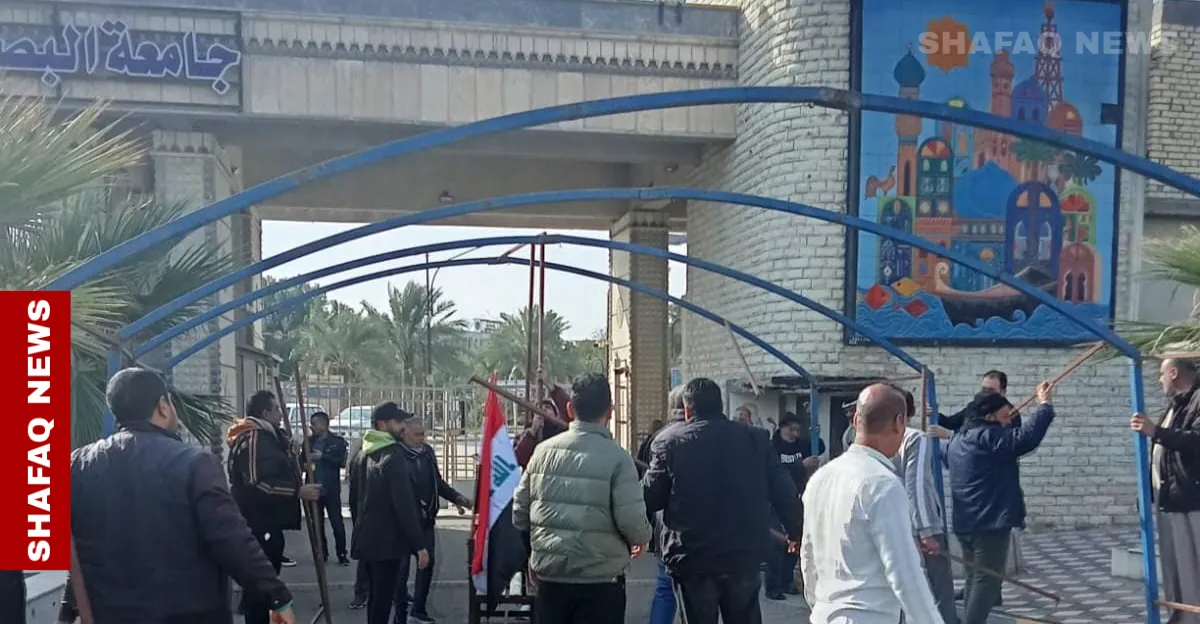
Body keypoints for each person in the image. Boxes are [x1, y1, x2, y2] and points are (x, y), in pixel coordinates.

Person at [69, 368, 295, 624]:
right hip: (190, 613)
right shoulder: (195, 464)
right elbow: (232, 539)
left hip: (111, 614)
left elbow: (73, 549)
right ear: (164, 406)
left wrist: (68, 611)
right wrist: (277, 595)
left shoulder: (78, 465)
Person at [643, 377, 802, 624]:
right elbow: (784, 492)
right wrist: (795, 531)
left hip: (692, 556)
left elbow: (651, 498)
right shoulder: (755, 438)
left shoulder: (669, 442)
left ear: (688, 410)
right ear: (721, 407)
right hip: (742, 555)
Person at [512, 373, 652, 624]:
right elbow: (631, 519)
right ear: (610, 412)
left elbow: (519, 513)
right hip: (601, 581)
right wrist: (641, 538)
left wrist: (534, 556)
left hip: (552, 580)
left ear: (570, 409)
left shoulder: (542, 453)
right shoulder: (619, 459)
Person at [801, 384, 944, 624]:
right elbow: (905, 574)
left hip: (824, 615)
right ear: (899, 422)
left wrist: (819, 607)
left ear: (856, 420)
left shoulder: (820, 478)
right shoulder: (883, 485)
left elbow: (809, 557)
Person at [947, 383, 1055, 624]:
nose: (1008, 422)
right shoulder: (989, 437)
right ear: (990, 416)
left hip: (965, 522)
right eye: (1005, 417)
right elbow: (1025, 439)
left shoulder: (959, 439)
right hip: (988, 522)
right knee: (987, 581)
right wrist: (1044, 405)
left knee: (974, 578)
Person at [227, 390, 321, 624]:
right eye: (277, 409)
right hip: (257, 522)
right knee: (261, 586)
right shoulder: (254, 438)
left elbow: (278, 466)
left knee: (265, 583)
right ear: (265, 412)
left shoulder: (269, 436)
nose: (281, 413)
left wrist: (296, 455)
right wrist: (297, 492)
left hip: (268, 521)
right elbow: (257, 483)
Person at [1131, 357, 1200, 623]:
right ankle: (1181, 618)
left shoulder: (1196, 401)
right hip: (1171, 499)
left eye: (1161, 374)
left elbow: (1195, 440)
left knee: (1192, 566)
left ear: (1173, 373)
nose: (1159, 380)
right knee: (1175, 568)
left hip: (1191, 499)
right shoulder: (1176, 406)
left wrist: (1156, 431)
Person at [349, 402, 430, 624]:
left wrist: (361, 529)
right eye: (398, 421)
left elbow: (354, 501)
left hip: (367, 540)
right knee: (383, 599)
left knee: (376, 598)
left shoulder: (362, 453)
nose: (403, 426)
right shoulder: (393, 457)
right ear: (382, 424)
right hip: (388, 543)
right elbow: (404, 505)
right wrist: (419, 545)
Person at [891, 387, 957, 624]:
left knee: (903, 586)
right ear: (909, 412)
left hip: (895, 523)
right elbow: (916, 485)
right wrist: (926, 530)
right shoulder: (914, 438)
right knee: (940, 587)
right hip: (923, 522)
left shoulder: (879, 440)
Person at [399, 416, 474, 624]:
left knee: (427, 563)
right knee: (400, 570)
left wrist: (457, 498)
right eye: (417, 435)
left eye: (423, 434)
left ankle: (418, 609)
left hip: (426, 520)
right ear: (404, 434)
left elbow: (437, 482)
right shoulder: (397, 456)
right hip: (404, 523)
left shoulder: (427, 453)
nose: (421, 439)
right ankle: (400, 612)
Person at [637, 386, 686, 624]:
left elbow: (645, 484)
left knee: (665, 588)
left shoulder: (656, 438)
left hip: (663, 524)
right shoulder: (696, 436)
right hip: (691, 524)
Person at [765, 411, 825, 600]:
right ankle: (773, 586)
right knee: (777, 543)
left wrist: (816, 434)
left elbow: (819, 447)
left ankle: (786, 581)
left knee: (794, 539)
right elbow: (774, 469)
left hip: (796, 497)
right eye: (791, 429)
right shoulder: (772, 446)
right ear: (782, 428)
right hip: (775, 499)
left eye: (798, 430)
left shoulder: (801, 444)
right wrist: (800, 465)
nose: (795, 434)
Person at [308, 411, 350, 566]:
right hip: (314, 489)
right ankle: (322, 553)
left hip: (331, 489)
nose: (311, 427)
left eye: (314, 423)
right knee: (316, 524)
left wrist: (322, 457)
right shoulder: (309, 441)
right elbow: (301, 461)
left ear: (323, 424)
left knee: (337, 523)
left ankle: (342, 553)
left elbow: (341, 462)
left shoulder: (337, 442)